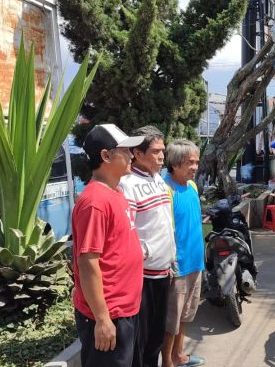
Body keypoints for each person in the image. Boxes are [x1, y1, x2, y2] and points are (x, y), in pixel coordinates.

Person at [72, 124, 145, 367]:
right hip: (109, 315)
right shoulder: (95, 201)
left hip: (125, 310)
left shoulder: (115, 193)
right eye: (125, 150)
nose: (132, 155)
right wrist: (103, 319)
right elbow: (88, 263)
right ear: (106, 155)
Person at [119, 126, 176, 367]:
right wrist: (145, 254)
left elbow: (163, 224)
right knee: (140, 345)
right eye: (155, 151)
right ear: (137, 153)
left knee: (155, 339)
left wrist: (169, 260)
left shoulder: (158, 181)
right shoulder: (127, 185)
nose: (162, 156)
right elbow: (126, 233)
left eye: (163, 150)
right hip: (142, 278)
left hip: (162, 273)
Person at [162, 139, 206, 367]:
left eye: (197, 162)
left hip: (195, 262)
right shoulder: (165, 189)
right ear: (176, 163)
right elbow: (164, 231)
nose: (195, 167)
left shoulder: (193, 187)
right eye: (190, 162)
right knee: (172, 320)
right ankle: (167, 361)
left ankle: (179, 355)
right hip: (178, 266)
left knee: (186, 314)